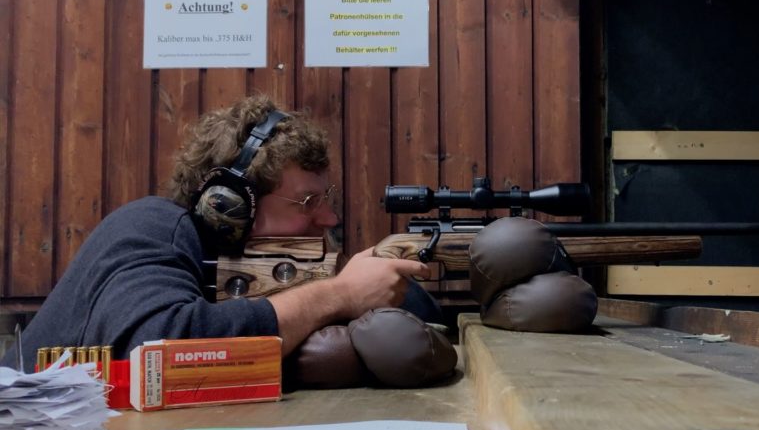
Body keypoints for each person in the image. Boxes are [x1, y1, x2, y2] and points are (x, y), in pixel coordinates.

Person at [1, 95, 434, 371]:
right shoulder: (152, 227)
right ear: (227, 203)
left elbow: (418, 315)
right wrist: (337, 296)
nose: (329, 219)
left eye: (326, 198)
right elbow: (154, 351)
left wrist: (368, 282)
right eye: (307, 202)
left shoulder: (250, 262)